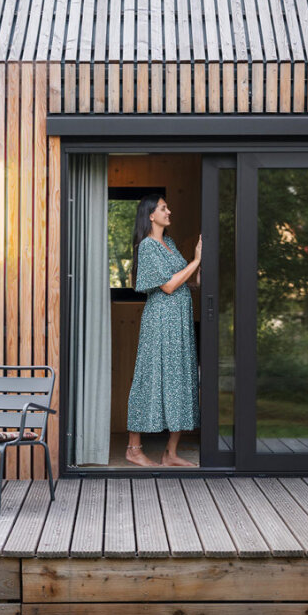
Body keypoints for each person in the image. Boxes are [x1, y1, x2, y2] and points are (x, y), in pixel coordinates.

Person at [125, 194, 201, 467]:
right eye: (163, 208)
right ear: (150, 215)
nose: (169, 211)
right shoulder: (148, 247)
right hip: (160, 322)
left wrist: (197, 270)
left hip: (179, 321)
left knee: (180, 379)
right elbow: (168, 286)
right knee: (149, 379)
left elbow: (183, 281)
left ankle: (170, 452)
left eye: (167, 207)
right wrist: (195, 261)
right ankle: (134, 449)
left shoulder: (168, 243)